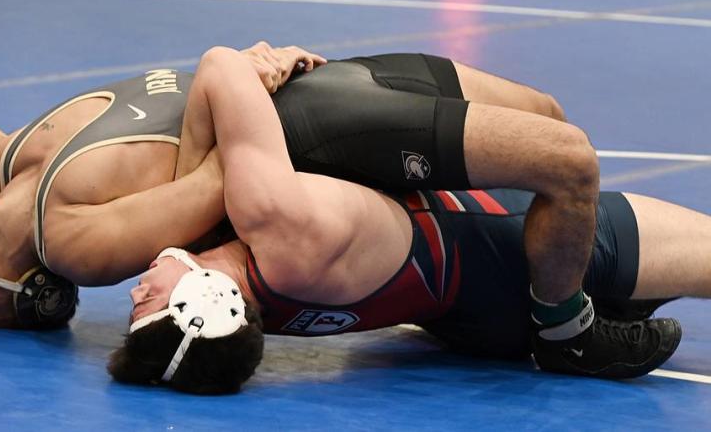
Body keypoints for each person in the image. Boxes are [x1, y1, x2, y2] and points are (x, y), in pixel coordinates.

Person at [0, 42, 592, 333]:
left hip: (328, 111)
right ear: (36, 295)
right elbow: (216, 179)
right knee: (550, 141)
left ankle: (570, 311)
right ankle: (583, 291)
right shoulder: (57, 214)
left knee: (552, 139)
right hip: (329, 101)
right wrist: (248, 71)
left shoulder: (14, 173)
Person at [110, 47, 694, 394]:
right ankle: (571, 334)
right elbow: (219, 66)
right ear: (207, 304)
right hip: (519, 251)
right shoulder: (285, 231)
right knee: (569, 159)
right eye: (146, 303)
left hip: (484, 310)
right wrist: (265, 64)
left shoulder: (253, 287)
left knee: (544, 117)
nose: (137, 288)